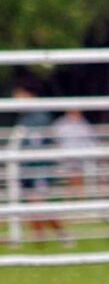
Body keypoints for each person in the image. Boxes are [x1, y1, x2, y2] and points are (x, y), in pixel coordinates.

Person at [13, 75, 72, 246]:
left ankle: (52, 236)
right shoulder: (26, 118)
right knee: (35, 203)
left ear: (28, 95)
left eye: (18, 95)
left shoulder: (39, 117)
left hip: (39, 168)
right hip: (28, 168)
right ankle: (46, 237)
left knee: (38, 203)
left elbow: (38, 145)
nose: (16, 99)